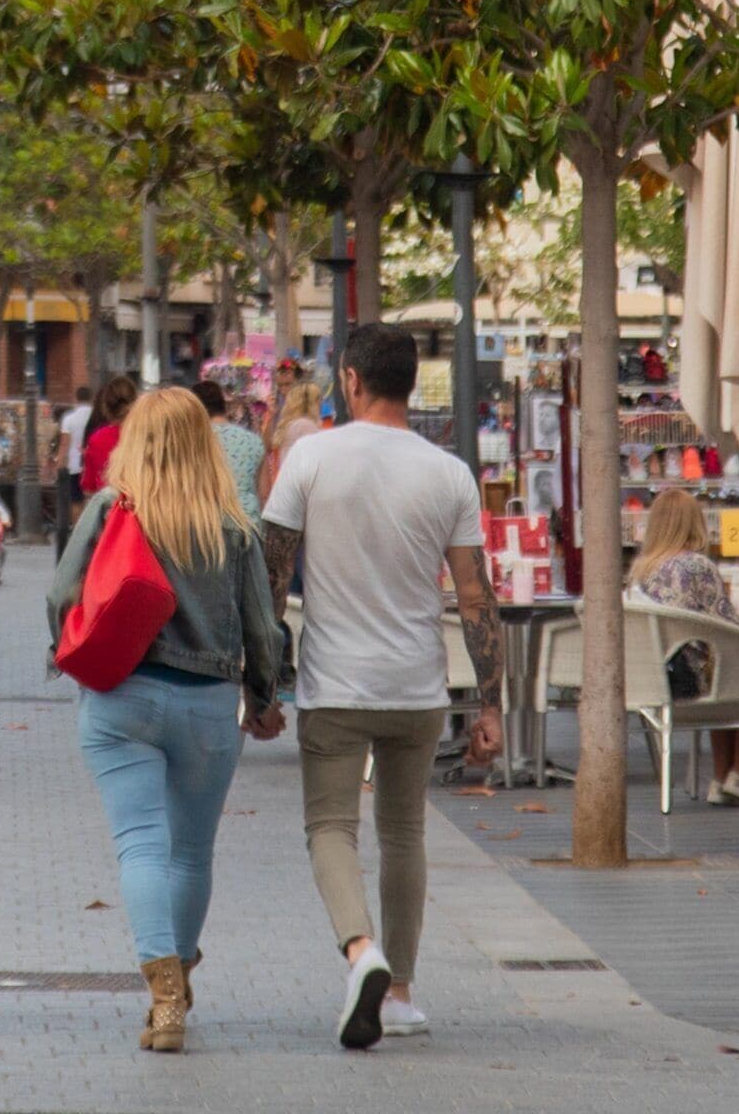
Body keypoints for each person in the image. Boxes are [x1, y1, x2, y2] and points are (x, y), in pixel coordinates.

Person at [261, 323, 495, 1050]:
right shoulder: (449, 472)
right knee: (404, 833)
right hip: (418, 686)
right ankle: (399, 995)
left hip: (335, 683)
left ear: (351, 381)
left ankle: (362, 950)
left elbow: (270, 574)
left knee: (330, 826)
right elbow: (474, 595)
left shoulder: (310, 458)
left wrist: (261, 681)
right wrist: (489, 702)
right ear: (412, 383)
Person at [53, 384, 286, 1052]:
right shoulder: (234, 523)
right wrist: (264, 698)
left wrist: (65, 650)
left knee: (141, 845)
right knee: (191, 850)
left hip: (122, 697)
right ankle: (178, 981)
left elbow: (60, 593)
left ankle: (163, 1003)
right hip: (210, 704)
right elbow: (262, 628)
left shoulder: (109, 508)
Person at [628, 487, 739, 808]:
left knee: (722, 665)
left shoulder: (641, 570)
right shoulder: (697, 566)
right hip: (691, 677)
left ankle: (722, 778)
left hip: (657, 674)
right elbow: (729, 622)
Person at [255, 368, 326, 512]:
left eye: (287, 384)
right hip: (298, 494)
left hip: (284, 490)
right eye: (280, 385)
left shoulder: (292, 424)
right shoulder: (304, 425)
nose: (282, 390)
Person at [207, 382, 269, 518]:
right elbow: (264, 494)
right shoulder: (254, 441)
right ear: (224, 408)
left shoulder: (197, 441)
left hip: (211, 520)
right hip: (248, 520)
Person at [79, 375, 140, 509]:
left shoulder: (97, 439)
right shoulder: (146, 435)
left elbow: (89, 488)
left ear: (106, 407)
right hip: (142, 512)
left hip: (110, 514)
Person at [54, 386, 97, 547]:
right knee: (90, 498)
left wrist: (60, 464)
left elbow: (64, 443)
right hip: (92, 464)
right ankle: (92, 529)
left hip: (74, 465)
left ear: (76, 398)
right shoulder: (96, 417)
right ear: (91, 398)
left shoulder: (69, 418)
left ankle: (78, 533)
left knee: (76, 501)